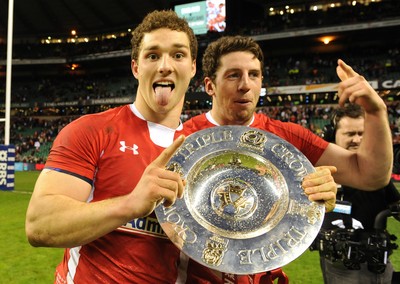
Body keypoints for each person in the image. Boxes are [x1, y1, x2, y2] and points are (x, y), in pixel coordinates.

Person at [24, 11, 336, 284]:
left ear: (192, 69)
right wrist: (131, 204)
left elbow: (241, 245)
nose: (164, 66)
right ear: (135, 67)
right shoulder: (93, 131)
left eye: (177, 55)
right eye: (152, 55)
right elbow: (40, 225)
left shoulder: (209, 153)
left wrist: (306, 198)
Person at [180, 35, 394, 282]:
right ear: (210, 86)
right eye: (233, 75)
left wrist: (376, 111)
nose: (246, 85)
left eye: (254, 75)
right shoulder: (182, 139)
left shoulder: (287, 136)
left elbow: (369, 175)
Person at [316, 103, 400, 284]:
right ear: (332, 136)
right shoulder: (320, 173)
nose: (357, 139)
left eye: (362, 133)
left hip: (378, 266)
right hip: (340, 268)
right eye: (350, 134)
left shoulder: (378, 175)